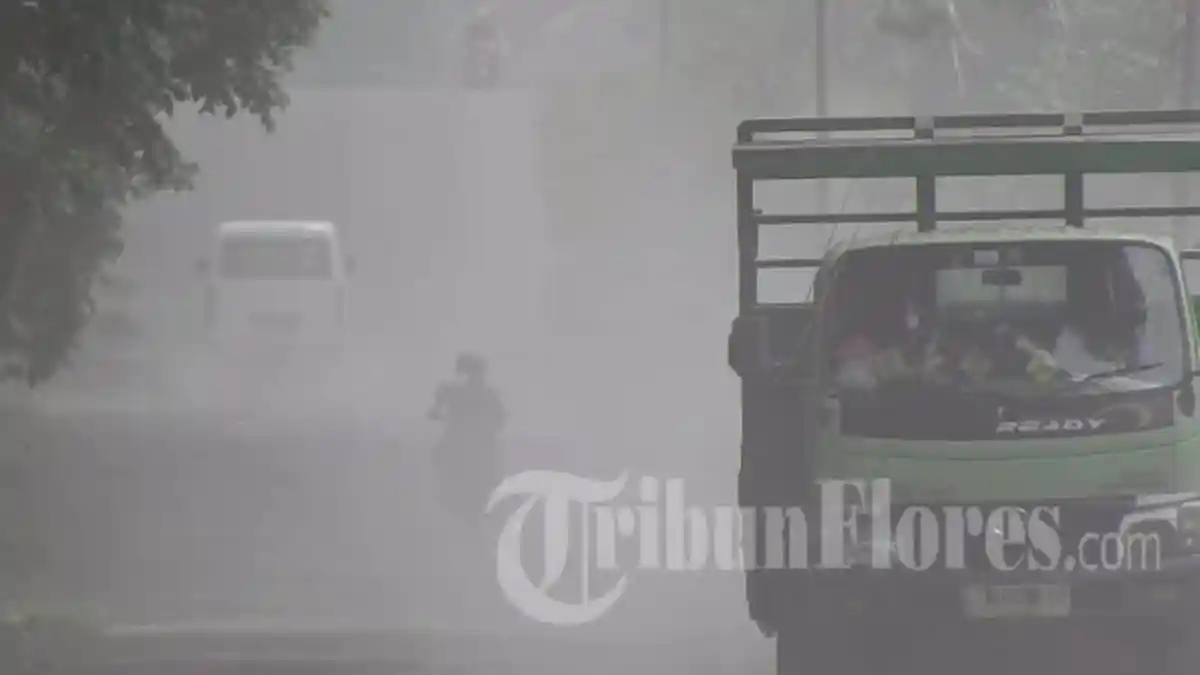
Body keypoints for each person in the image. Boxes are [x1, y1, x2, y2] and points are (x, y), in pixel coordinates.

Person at [428, 352, 506, 521]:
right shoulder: (480, 393)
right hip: (469, 444)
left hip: (471, 444)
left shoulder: (455, 391)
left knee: (484, 475)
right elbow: (500, 418)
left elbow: (499, 418)